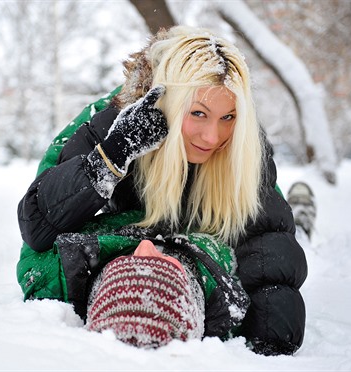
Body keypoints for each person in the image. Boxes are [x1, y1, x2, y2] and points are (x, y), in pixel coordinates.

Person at [16, 26, 308, 356]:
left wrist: (271, 336)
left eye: (228, 117)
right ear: (169, 102)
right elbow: (38, 228)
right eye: (198, 113)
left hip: (203, 242)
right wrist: (112, 157)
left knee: (290, 234)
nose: (213, 136)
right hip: (133, 238)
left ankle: (302, 210)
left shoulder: (244, 145)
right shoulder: (109, 123)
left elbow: (266, 242)